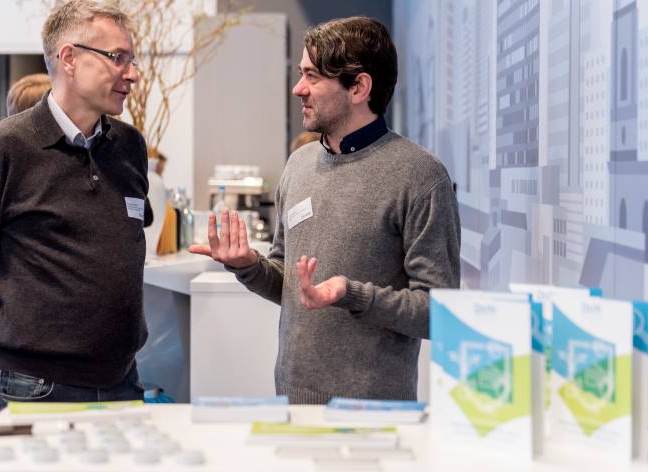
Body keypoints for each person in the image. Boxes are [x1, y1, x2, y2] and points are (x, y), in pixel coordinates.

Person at [190, 16, 461, 403]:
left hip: (374, 413)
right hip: (291, 399)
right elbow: (290, 285)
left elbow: (440, 313)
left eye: (312, 76)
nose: (298, 88)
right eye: (301, 74)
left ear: (359, 87)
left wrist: (353, 294)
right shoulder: (298, 164)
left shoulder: (421, 176)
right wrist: (248, 265)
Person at [0, 0, 151, 423]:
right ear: (69, 58)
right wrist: (8, 341)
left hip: (122, 382)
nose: (132, 74)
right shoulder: (1, 151)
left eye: (132, 60)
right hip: (32, 388)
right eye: (117, 58)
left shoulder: (129, 147)